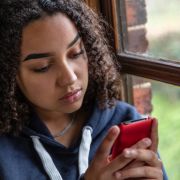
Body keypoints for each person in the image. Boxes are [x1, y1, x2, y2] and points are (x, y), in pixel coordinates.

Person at [0, 0, 168, 179]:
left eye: (76, 53)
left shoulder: (124, 121)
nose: (69, 78)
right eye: (42, 67)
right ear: (8, 73)